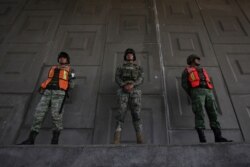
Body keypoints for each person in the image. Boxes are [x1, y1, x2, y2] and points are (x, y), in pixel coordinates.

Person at [19, 52, 75, 145]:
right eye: (60, 58)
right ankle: (31, 139)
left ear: (67, 60)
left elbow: (72, 83)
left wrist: (65, 90)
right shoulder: (53, 68)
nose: (62, 59)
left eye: (64, 58)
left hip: (59, 94)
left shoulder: (71, 70)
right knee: (38, 114)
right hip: (47, 93)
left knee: (56, 116)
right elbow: (49, 79)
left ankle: (54, 141)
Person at [181, 54, 232, 143]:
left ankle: (218, 137)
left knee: (213, 113)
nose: (198, 61)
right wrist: (193, 93)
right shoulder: (187, 70)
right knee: (199, 113)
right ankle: (202, 139)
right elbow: (184, 84)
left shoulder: (203, 70)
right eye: (197, 59)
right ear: (192, 60)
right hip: (197, 92)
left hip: (208, 92)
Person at [113, 48, 144, 144]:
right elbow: (117, 77)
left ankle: (140, 139)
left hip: (135, 92)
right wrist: (123, 85)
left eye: (131, 54)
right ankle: (116, 140)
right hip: (123, 91)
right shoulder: (120, 67)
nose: (129, 55)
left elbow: (141, 78)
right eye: (128, 54)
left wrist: (133, 85)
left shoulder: (138, 68)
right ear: (125, 57)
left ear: (134, 57)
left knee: (137, 115)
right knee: (120, 114)